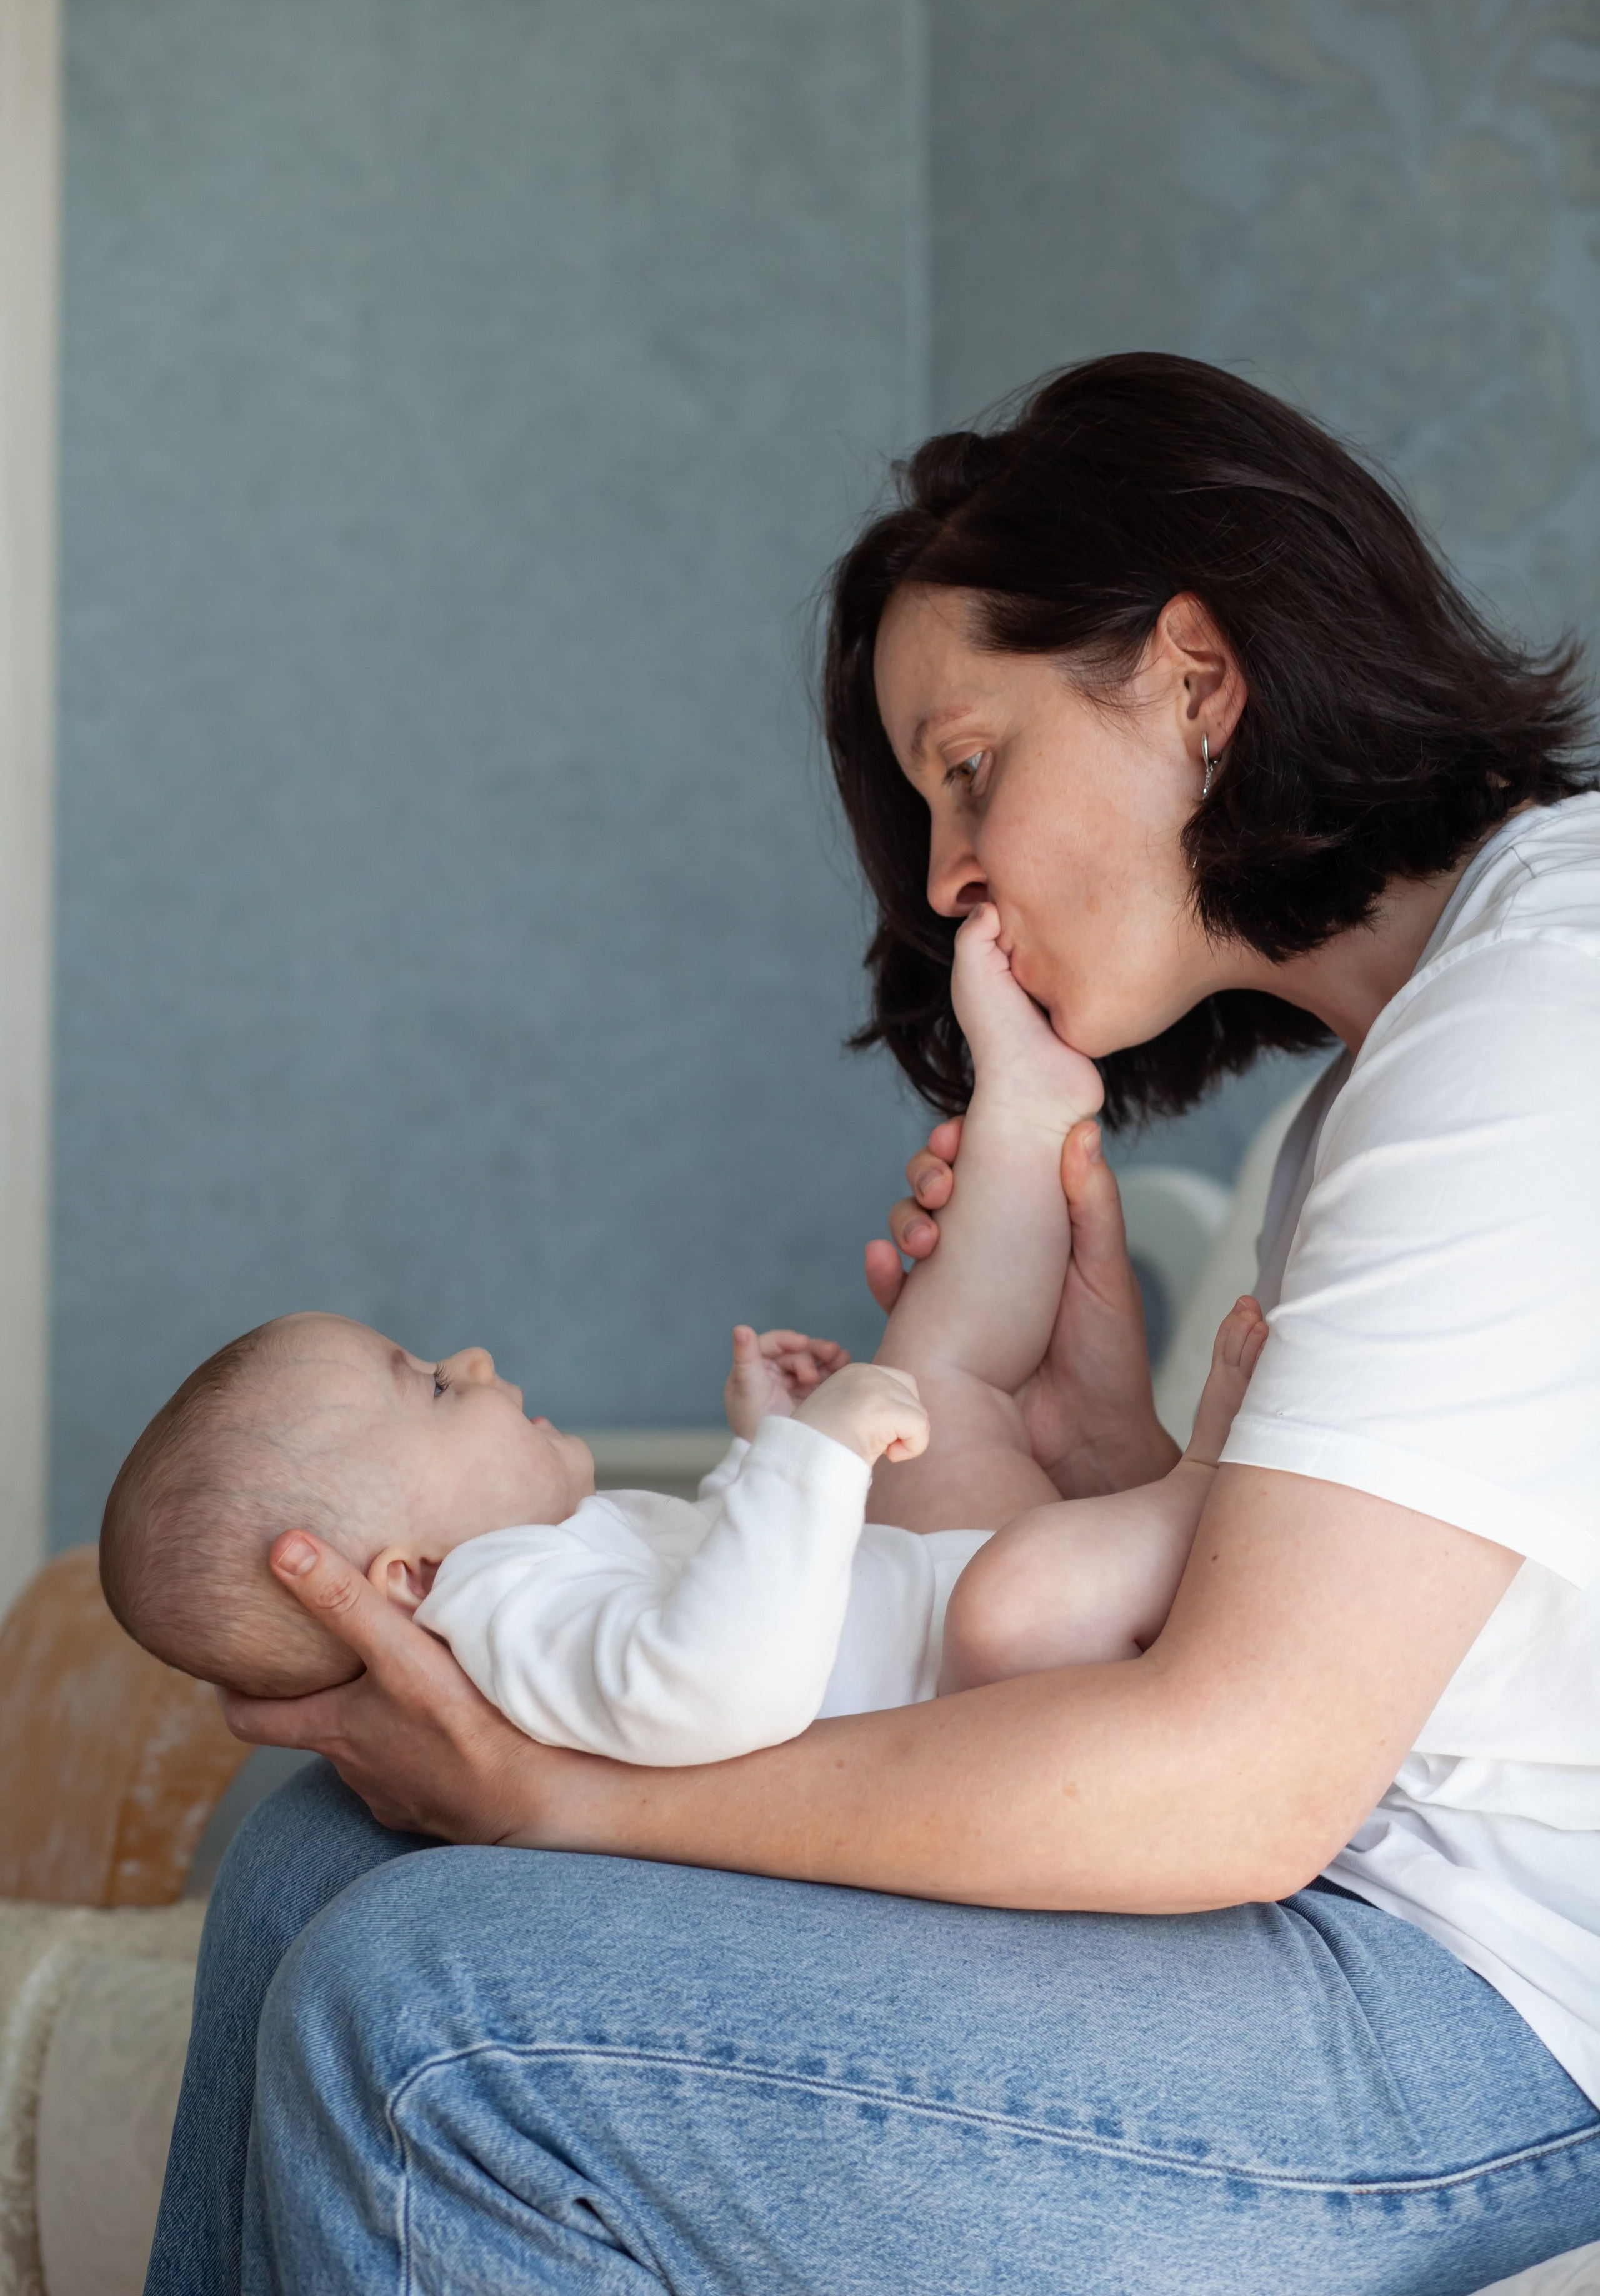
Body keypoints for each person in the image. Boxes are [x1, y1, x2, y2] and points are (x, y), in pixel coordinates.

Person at [145, 356, 1600, 2295]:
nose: (943, 879)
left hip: (1488, 2016)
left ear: (1196, 677)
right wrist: (1108, 1459)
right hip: (1356, 1900)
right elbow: (1403, 1671)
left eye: (971, 764)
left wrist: (570, 1797)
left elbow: (1245, 1787)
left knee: (440, 2017)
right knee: (320, 1850)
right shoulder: (1397, 1066)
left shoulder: (1538, 1021)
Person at [102, 905, 1262, 1762]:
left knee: (937, 1366)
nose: (473, 1362)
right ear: (403, 1581)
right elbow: (711, 1690)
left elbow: (704, 1590)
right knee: (1011, 1587)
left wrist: (765, 1450)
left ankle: (1028, 1106)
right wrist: (817, 1462)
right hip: (991, 1683)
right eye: (432, 1391)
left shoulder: (536, 1576)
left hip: (937, 1602)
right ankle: (1213, 1493)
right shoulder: (502, 1605)